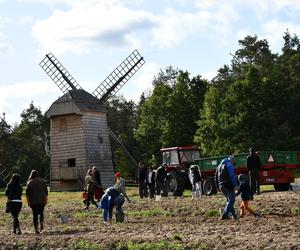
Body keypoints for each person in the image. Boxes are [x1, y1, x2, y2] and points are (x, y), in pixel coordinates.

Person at [215, 156, 238, 220]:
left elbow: (216, 177)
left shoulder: (219, 166)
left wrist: (217, 187)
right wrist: (235, 185)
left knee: (229, 200)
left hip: (221, 185)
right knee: (232, 200)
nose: (233, 164)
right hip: (228, 185)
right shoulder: (229, 165)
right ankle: (224, 214)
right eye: (234, 162)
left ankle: (234, 215)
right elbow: (231, 176)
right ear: (232, 161)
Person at [26, 170, 48, 234]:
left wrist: (28, 202)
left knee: (35, 215)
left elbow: (27, 194)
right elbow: (46, 192)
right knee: (41, 213)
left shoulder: (29, 182)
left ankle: (36, 229)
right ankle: (41, 225)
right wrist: (46, 200)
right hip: (42, 200)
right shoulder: (43, 181)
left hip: (33, 201)